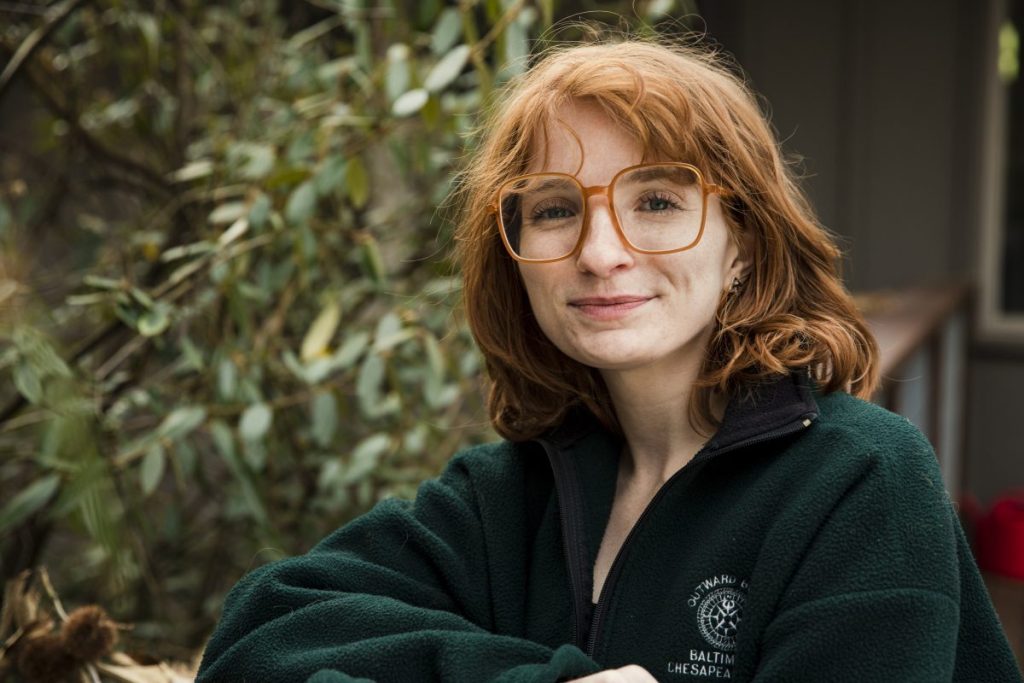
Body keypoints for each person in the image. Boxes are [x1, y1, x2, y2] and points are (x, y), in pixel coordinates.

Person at [196, 37, 1020, 682]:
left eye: (656, 201)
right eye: (555, 209)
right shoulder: (507, 498)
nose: (600, 252)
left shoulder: (859, 481)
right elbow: (260, 631)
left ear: (744, 245)